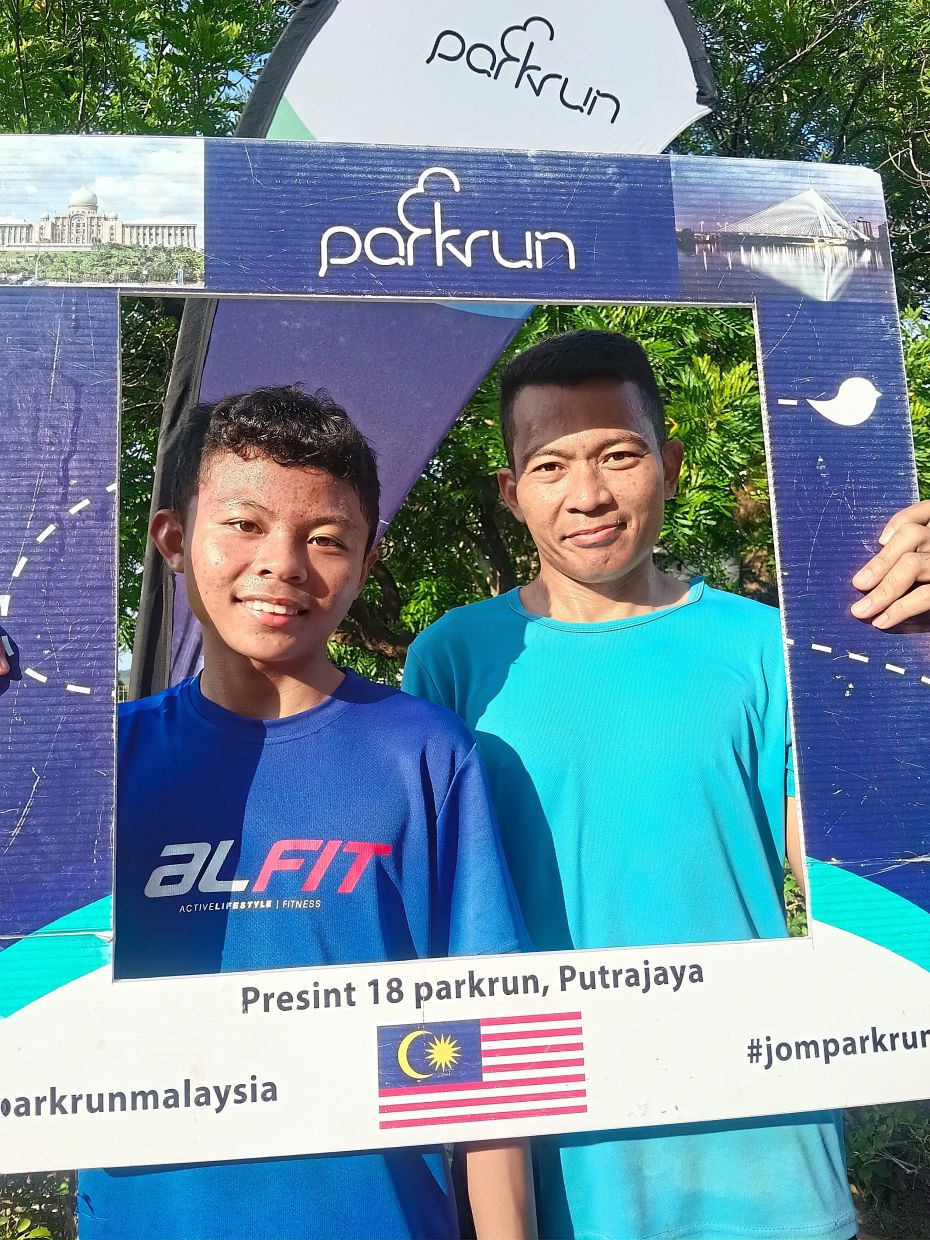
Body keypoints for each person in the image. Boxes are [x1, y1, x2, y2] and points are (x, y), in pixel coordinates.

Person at [402, 329, 930, 1240]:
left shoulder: (771, 647)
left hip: (769, 1163)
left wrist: (908, 659)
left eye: (619, 454)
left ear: (672, 464)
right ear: (510, 491)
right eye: (550, 464)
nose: (589, 494)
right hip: (549, 1179)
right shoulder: (450, 661)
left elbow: (855, 873)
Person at [76, 386, 532, 1240]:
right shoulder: (99, 769)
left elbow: (486, 1042)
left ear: (364, 560)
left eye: (326, 539)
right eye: (243, 525)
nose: (283, 562)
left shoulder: (425, 754)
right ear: (174, 540)